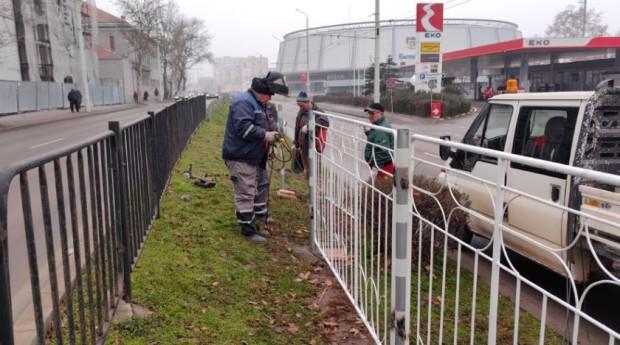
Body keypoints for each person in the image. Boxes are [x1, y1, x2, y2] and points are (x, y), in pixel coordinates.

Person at [221, 72, 289, 244]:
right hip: (241, 155)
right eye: (269, 96)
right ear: (261, 92)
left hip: (254, 155)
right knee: (245, 192)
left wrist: (276, 134)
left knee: (255, 188)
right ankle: (248, 231)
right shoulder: (243, 102)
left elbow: (268, 122)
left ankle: (254, 224)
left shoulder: (259, 104)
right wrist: (266, 135)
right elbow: (244, 129)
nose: (270, 99)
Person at [254, 102, 282, 225]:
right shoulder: (252, 109)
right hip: (252, 153)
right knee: (253, 183)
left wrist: (272, 145)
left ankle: (260, 211)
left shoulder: (268, 109)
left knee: (263, 181)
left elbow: (273, 128)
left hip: (261, 152)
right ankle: (251, 215)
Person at [293, 91, 329, 183]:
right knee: (308, 171)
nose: (300, 108)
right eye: (299, 106)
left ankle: (317, 194)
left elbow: (325, 123)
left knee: (315, 172)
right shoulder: (301, 112)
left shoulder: (318, 112)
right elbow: (297, 127)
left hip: (315, 148)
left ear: (308, 102)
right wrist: (296, 143)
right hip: (304, 147)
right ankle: (310, 192)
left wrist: (310, 126)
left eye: (302, 105)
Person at [364, 102, 394, 179]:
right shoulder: (378, 126)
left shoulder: (381, 129)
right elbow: (377, 141)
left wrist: (375, 167)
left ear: (380, 113)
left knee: (382, 189)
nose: (370, 116)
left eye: (372, 113)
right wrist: (369, 134)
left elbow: (383, 152)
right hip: (384, 166)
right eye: (369, 113)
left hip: (384, 167)